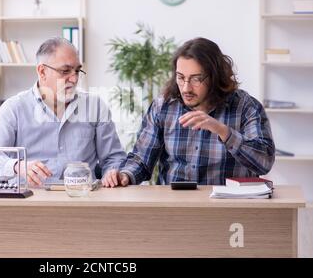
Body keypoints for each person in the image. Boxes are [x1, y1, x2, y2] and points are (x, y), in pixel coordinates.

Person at [103, 37, 275, 187]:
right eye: (180, 77)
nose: (186, 88)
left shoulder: (245, 107)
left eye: (196, 79)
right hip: (174, 208)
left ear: (215, 76)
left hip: (228, 209)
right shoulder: (164, 106)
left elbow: (264, 163)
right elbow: (141, 160)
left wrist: (223, 131)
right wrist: (125, 175)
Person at [0, 37, 126, 186]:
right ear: (42, 71)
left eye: (77, 70)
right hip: (31, 200)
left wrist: (112, 172)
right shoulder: (14, 108)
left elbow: (114, 157)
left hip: (82, 199)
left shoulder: (95, 106)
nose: (74, 79)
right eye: (65, 71)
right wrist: (18, 166)